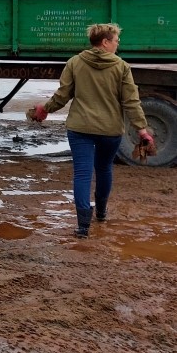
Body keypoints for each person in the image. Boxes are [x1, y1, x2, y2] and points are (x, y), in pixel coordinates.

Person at [28, 23, 154, 238]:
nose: (117, 45)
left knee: (82, 173)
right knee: (104, 169)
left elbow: (62, 95)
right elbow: (131, 102)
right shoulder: (121, 67)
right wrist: (142, 130)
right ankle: (102, 213)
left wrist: (45, 109)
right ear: (105, 42)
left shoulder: (75, 62)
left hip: (80, 128)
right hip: (110, 130)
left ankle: (82, 226)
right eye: (116, 41)